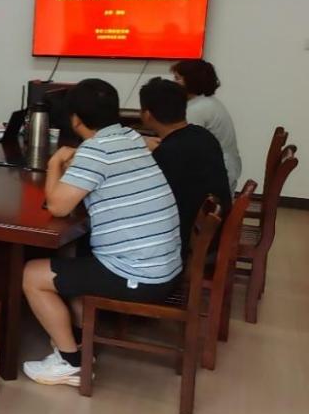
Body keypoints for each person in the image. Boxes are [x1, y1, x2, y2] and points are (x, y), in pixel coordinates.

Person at [21, 79, 182, 387]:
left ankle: (70, 362)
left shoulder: (97, 151)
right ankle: (79, 339)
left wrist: (54, 162)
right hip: (164, 265)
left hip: (139, 275)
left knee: (32, 275)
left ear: (75, 119)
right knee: (75, 257)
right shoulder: (130, 136)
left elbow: (57, 206)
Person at [140, 78, 232, 252]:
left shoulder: (167, 153)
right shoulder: (203, 135)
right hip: (214, 233)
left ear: (147, 115)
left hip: (184, 242)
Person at [171, 59, 241, 192]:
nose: (173, 83)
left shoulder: (196, 109)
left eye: (177, 78)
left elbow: (183, 148)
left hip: (215, 177)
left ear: (191, 81)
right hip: (226, 170)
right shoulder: (208, 102)